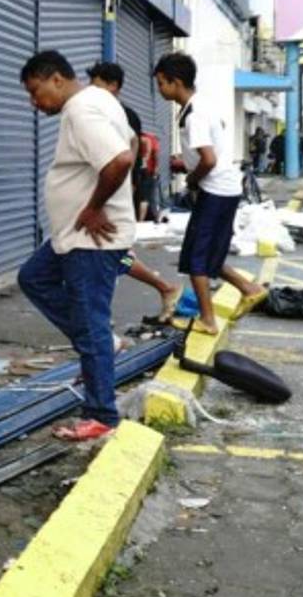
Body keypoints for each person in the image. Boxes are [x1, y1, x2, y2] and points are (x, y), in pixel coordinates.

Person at [18, 51, 136, 442]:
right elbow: (132, 144)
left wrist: (96, 207)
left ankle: (101, 414)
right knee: (34, 278)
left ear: (56, 79)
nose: (35, 103)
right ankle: (103, 343)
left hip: (91, 239)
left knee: (90, 323)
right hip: (73, 235)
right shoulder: (101, 99)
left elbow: (120, 159)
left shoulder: (82, 110)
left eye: (36, 92)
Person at [153, 52, 268, 336]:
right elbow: (213, 143)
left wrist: (191, 179)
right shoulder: (200, 105)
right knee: (207, 255)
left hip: (215, 191)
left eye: (161, 83)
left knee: (197, 259)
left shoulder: (195, 115)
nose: (159, 89)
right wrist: (188, 163)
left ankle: (207, 320)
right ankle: (249, 289)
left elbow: (208, 159)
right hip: (224, 189)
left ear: (176, 82)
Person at [85, 62, 181, 321]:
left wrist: (125, 182)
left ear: (113, 85)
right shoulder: (104, 111)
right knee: (116, 257)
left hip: (107, 198)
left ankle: (100, 321)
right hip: (103, 196)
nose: (92, 91)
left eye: (98, 85)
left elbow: (132, 147)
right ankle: (164, 288)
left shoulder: (120, 114)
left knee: (112, 257)